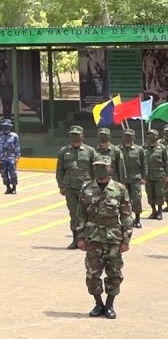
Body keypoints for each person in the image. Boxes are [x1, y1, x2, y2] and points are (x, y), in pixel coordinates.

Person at [78, 155, 133, 320]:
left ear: (110, 168)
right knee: (92, 274)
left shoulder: (119, 189)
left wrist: (126, 239)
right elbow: (80, 214)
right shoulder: (86, 188)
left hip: (113, 237)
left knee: (114, 273)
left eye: (103, 166)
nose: (99, 169)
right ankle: (98, 304)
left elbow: (126, 216)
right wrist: (80, 237)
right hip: (93, 237)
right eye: (97, 166)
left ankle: (109, 305)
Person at [58, 125, 98, 250]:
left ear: (82, 136)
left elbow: (95, 169)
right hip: (70, 187)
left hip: (86, 188)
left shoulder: (90, 151)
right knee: (74, 214)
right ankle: (76, 239)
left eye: (77, 134)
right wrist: (61, 185)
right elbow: (60, 169)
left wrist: (96, 186)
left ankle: (88, 238)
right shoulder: (64, 151)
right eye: (72, 134)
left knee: (89, 213)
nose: (74, 136)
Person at [118, 130, 147, 228]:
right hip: (122, 180)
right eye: (125, 136)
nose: (127, 138)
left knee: (136, 199)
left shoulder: (139, 150)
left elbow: (144, 164)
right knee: (123, 201)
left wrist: (144, 177)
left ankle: (137, 219)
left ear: (134, 138)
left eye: (130, 136)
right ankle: (125, 220)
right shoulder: (118, 149)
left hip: (135, 178)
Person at [146, 130, 168, 220]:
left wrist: (167, 175)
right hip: (148, 175)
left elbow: (166, 162)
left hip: (159, 175)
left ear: (156, 136)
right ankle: (153, 211)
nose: (150, 137)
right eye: (149, 135)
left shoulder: (162, 148)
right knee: (150, 194)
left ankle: (159, 211)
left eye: (152, 135)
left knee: (159, 194)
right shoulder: (144, 148)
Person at [0, 119, 20, 194]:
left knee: (13, 173)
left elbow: (17, 147)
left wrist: (17, 157)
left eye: (7, 126)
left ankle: (14, 187)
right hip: (2, 157)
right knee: (3, 173)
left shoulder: (14, 136)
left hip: (11, 156)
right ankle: (8, 187)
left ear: (10, 127)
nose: (6, 127)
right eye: (4, 126)